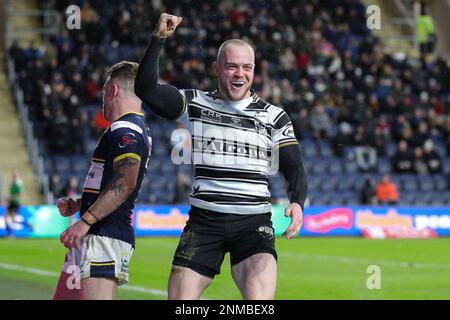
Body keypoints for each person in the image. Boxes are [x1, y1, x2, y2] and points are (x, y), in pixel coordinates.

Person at [135, 13, 308, 300]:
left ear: (254, 71)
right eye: (231, 67)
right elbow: (146, 89)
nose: (240, 74)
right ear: (217, 68)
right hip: (205, 221)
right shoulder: (195, 103)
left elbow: (295, 167)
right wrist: (159, 39)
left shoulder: (274, 116)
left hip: (254, 223)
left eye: (246, 67)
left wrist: (297, 203)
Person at [52, 61, 152, 300]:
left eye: (104, 91)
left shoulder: (126, 128)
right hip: (95, 234)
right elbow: (113, 182)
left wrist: (84, 221)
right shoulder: (131, 127)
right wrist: (81, 202)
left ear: (113, 90)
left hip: (104, 235)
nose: (101, 98)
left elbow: (125, 183)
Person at [5, 171, 24, 237]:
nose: (14, 176)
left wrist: (11, 197)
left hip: (15, 203)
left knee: (13, 219)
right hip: (11, 203)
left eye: (15, 175)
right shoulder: (13, 184)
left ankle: (27, 225)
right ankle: (9, 233)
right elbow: (11, 193)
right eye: (14, 175)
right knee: (6, 217)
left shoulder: (19, 184)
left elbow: (19, 194)